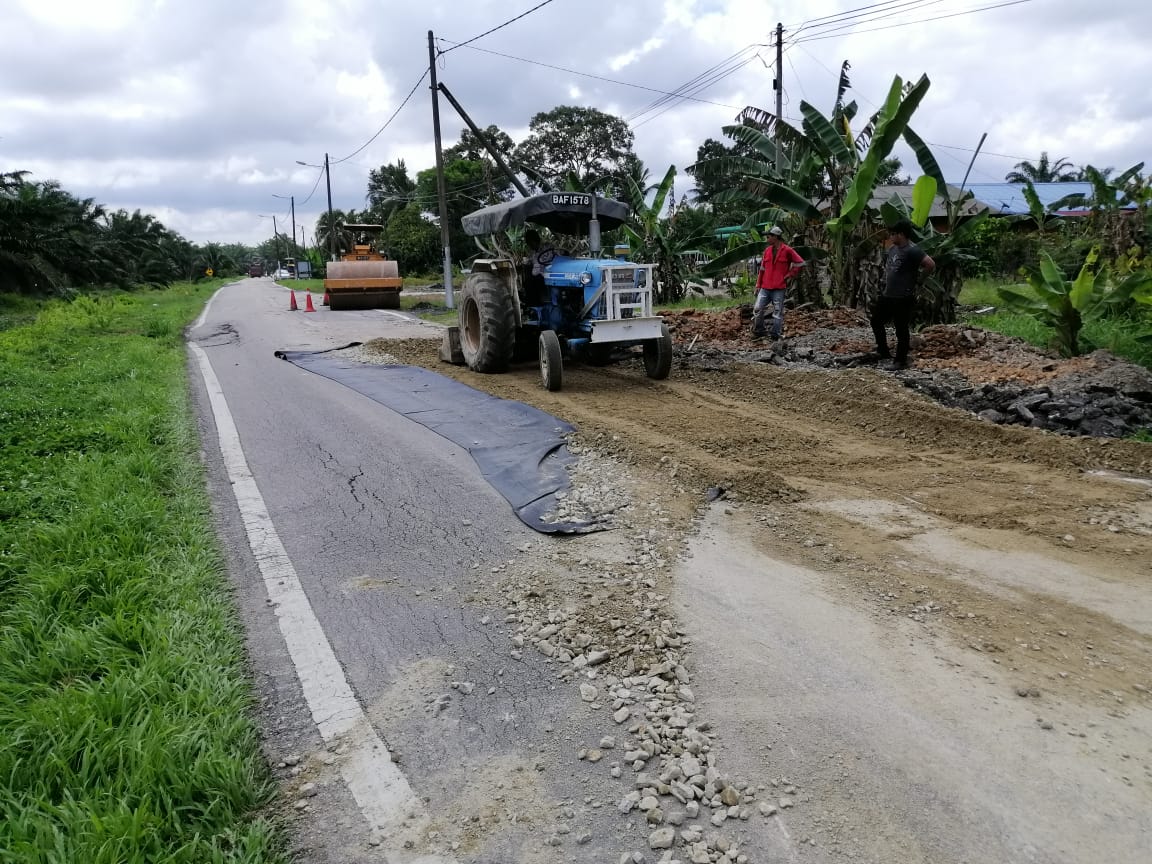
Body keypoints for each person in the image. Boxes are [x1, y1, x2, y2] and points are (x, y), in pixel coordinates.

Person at [871, 219, 935, 369]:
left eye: (893, 234)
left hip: (903, 296)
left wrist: (919, 280)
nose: (890, 237)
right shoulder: (893, 249)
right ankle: (883, 351)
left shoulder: (913, 250)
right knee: (876, 321)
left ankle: (900, 361)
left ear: (901, 234)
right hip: (888, 295)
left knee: (901, 329)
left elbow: (930, 264)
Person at [752, 226, 804, 342]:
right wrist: (758, 285)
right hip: (765, 287)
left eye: (768, 236)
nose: (767, 239)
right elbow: (762, 269)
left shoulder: (787, 250)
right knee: (757, 309)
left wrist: (789, 275)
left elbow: (800, 263)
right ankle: (759, 331)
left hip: (779, 287)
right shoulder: (767, 251)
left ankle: (775, 334)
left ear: (775, 237)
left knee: (777, 312)